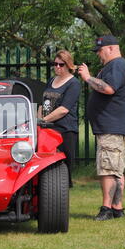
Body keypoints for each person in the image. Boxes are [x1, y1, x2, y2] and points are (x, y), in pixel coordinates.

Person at [78, 35, 125, 221]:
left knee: (108, 169)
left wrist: (88, 78)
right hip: (116, 126)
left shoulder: (117, 65)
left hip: (113, 127)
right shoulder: (117, 66)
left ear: (111, 48)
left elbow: (108, 88)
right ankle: (117, 208)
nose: (98, 55)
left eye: (100, 50)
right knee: (115, 169)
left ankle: (106, 209)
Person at [38, 50, 81, 187]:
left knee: (64, 162)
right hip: (47, 129)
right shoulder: (51, 80)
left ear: (68, 65)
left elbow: (64, 109)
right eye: (55, 64)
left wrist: (44, 120)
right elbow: (42, 103)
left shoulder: (73, 83)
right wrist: (39, 121)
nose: (57, 67)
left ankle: (63, 190)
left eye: (61, 64)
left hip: (65, 129)